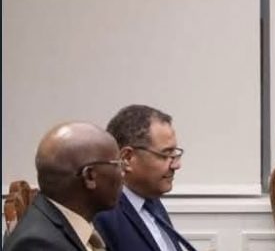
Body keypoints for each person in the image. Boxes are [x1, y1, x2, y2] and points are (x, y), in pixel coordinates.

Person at [4, 122, 124, 251]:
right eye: (118, 164)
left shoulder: (77, 226)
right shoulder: (38, 244)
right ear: (90, 176)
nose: (123, 173)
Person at [94, 105, 196, 251]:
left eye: (175, 153)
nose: (176, 165)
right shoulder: (103, 216)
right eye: (166, 154)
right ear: (127, 158)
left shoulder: (151, 201)